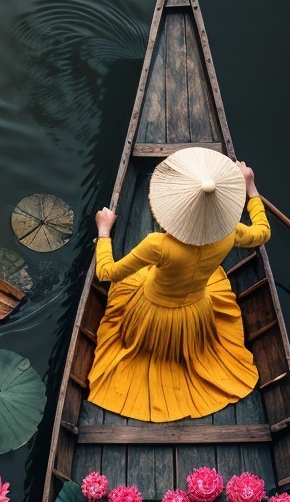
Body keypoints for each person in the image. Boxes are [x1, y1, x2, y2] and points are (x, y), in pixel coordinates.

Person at [87, 150, 270, 422]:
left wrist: (103, 232)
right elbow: (263, 232)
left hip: (150, 314)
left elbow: (106, 272)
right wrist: (251, 188)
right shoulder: (231, 233)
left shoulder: (157, 245)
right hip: (197, 313)